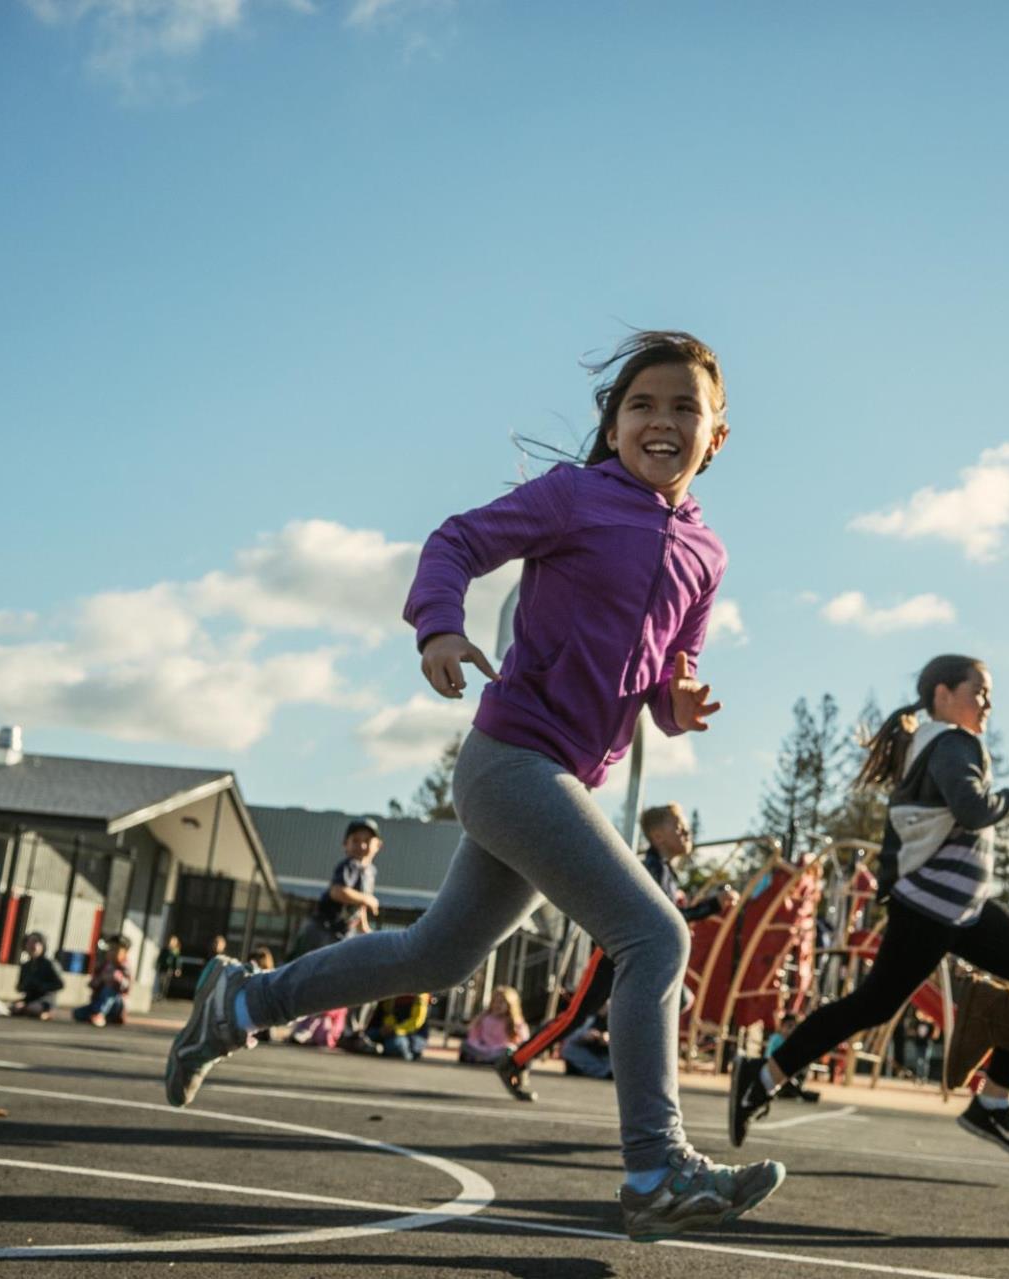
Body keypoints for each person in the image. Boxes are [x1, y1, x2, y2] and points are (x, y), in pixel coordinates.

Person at [164, 331, 785, 1242]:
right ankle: (656, 1167)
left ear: (718, 436)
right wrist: (439, 630)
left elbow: (668, 667)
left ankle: (239, 1002)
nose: (662, 421)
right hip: (510, 762)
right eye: (641, 405)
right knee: (654, 933)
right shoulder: (575, 498)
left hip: (560, 778)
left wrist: (678, 701)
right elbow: (456, 539)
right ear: (613, 427)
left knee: (434, 956)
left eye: (684, 408)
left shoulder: (708, 556)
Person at [728, 655, 1009, 1164]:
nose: (988, 703)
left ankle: (992, 1102)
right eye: (979, 691)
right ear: (943, 693)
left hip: (963, 908)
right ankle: (761, 1075)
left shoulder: (933, 743)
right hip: (930, 907)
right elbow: (974, 809)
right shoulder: (951, 743)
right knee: (873, 1004)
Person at [493, 802, 737, 1103]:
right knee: (576, 1015)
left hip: (634, 954)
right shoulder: (651, 869)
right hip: (614, 952)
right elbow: (665, 918)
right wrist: (711, 906)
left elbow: (669, 918)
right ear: (658, 836)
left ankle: (637, 1076)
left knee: (674, 1002)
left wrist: (707, 907)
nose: (686, 831)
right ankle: (516, 1060)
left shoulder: (666, 873)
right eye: (678, 826)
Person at [289, 820, 384, 960]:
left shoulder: (370, 872)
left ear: (378, 845)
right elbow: (338, 891)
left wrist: (364, 929)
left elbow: (359, 907)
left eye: (367, 840)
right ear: (345, 845)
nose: (362, 845)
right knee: (301, 967)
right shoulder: (350, 865)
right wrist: (367, 899)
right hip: (322, 929)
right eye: (355, 840)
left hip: (341, 933)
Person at [461, 986, 530, 1065]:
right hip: (483, 1049)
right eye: (495, 1002)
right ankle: (484, 1059)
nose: (498, 1005)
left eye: (501, 1002)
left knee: (509, 1051)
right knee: (465, 1045)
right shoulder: (484, 1018)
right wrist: (478, 1044)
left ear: (510, 1005)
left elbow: (523, 1040)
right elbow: (473, 1036)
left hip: (500, 1050)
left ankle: (488, 1060)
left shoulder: (515, 1022)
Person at [75, 937, 133, 1028]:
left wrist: (117, 979)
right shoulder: (103, 966)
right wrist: (99, 979)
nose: (112, 953)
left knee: (109, 990)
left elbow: (127, 987)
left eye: (116, 950)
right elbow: (92, 984)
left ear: (125, 953)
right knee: (78, 1013)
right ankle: (104, 1016)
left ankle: (100, 1014)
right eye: (110, 949)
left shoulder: (124, 967)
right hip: (99, 1001)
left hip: (117, 1003)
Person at [12, 932, 65, 1019]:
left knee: (31, 1008)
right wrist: (23, 986)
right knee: (15, 1007)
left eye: (36, 942)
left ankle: (48, 1012)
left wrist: (41, 986)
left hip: (45, 999)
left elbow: (60, 984)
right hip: (30, 998)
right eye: (29, 942)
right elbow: (20, 986)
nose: (32, 945)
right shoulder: (25, 966)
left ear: (43, 945)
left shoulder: (50, 964)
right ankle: (32, 1011)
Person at [364, 993, 432, 1060]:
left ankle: (409, 1055)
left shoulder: (420, 995)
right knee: (367, 1036)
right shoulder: (393, 994)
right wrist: (387, 1028)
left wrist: (395, 1030)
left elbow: (416, 1021)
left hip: (412, 1034)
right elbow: (388, 1013)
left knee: (395, 1044)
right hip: (391, 1030)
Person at [561, 1002, 613, 1079]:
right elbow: (571, 1038)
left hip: (609, 1057)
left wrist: (609, 1039)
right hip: (591, 1055)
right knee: (569, 1048)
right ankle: (602, 1072)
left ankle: (606, 1072)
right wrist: (585, 1036)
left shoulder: (617, 1019)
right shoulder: (590, 1018)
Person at [155, 935, 183, 999]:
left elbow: (177, 961)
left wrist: (178, 969)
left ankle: (163, 995)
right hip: (163, 967)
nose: (172, 943)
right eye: (171, 941)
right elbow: (160, 958)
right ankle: (160, 993)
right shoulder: (165, 950)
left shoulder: (175, 951)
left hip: (169, 969)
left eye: (174, 942)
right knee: (161, 981)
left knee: (165, 982)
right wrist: (158, 964)